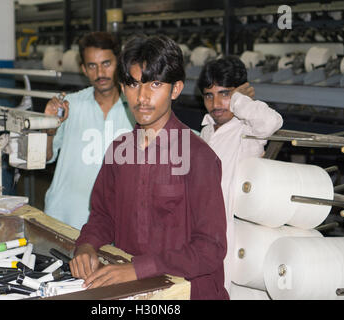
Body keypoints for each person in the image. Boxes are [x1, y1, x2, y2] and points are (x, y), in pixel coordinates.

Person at [69, 35, 229, 300]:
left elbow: (210, 249)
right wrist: (87, 245)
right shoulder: (119, 151)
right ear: (123, 88)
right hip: (136, 290)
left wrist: (138, 269)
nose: (142, 97)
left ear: (175, 89)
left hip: (189, 292)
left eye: (155, 84)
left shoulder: (199, 157)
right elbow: (103, 215)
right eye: (132, 84)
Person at [197, 56, 283, 292]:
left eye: (225, 94)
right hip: (204, 229)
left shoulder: (247, 129)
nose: (216, 103)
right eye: (209, 95)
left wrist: (238, 101)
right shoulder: (205, 131)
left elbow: (272, 121)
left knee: (232, 288)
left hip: (236, 230)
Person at [43, 31, 135, 230]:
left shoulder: (137, 110)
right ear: (83, 69)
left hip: (114, 223)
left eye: (106, 64)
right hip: (64, 218)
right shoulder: (70, 105)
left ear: (119, 62)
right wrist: (50, 127)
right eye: (92, 66)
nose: (100, 73)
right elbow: (45, 157)